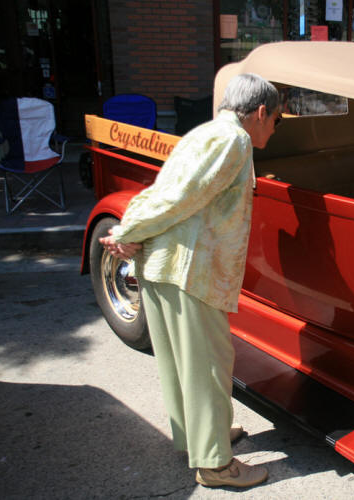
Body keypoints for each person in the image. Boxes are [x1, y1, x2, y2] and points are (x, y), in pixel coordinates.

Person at [99, 73, 279, 488]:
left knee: (183, 364)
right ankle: (216, 465)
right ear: (261, 111)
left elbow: (164, 189)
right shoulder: (234, 141)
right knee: (209, 367)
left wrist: (132, 229)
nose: (274, 128)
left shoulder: (206, 134)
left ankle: (200, 438)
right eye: (277, 120)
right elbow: (180, 197)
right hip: (190, 271)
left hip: (167, 265)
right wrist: (128, 233)